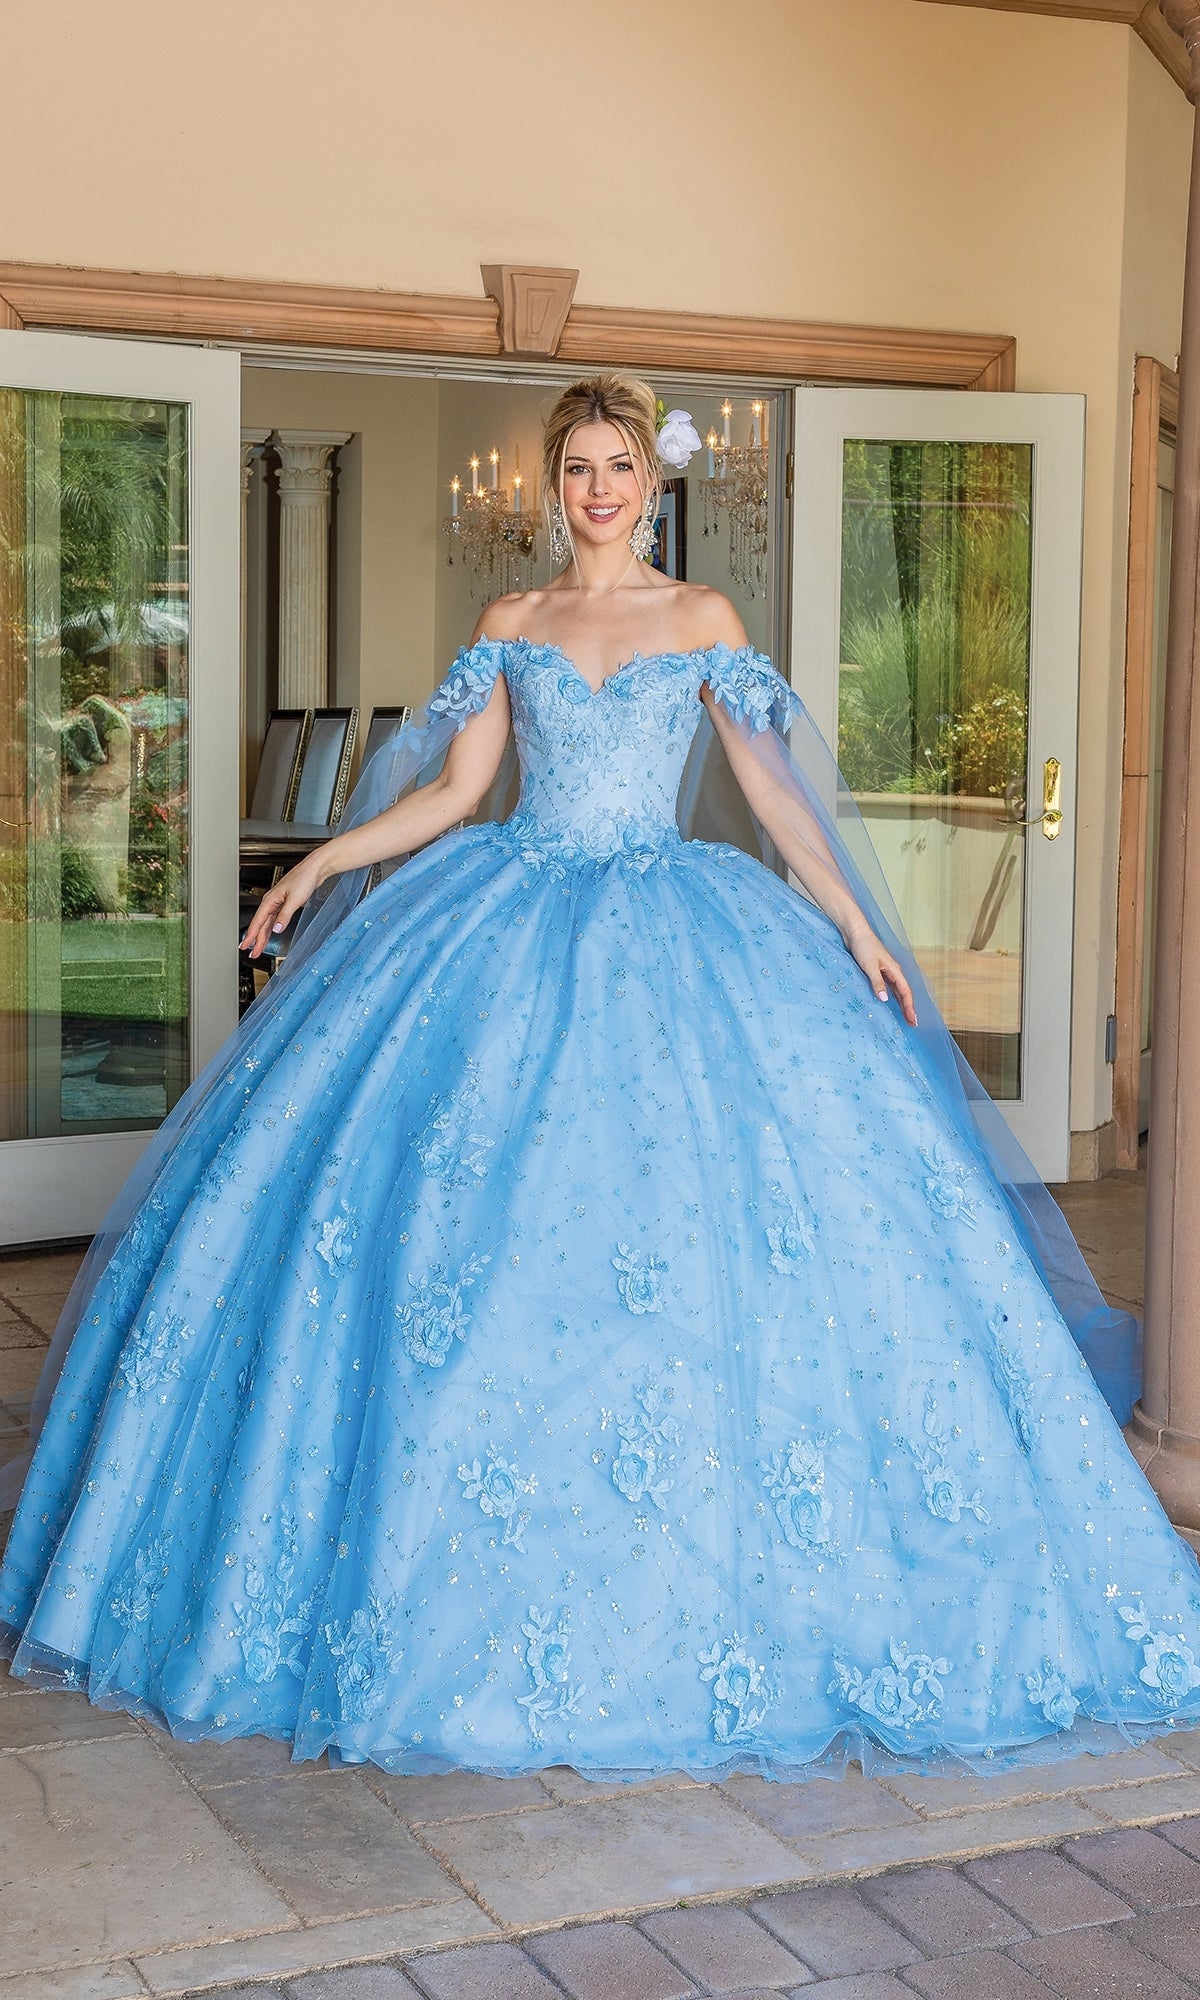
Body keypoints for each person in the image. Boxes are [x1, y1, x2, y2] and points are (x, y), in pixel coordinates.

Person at [2, 373, 1198, 1785]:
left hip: (680, 934)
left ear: (652, 478)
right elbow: (457, 796)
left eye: (619, 464)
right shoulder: (512, 625)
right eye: (575, 466)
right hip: (505, 917)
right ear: (550, 480)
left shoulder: (702, 624)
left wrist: (863, 929)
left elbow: (770, 798)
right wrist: (327, 857)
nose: (597, 489)